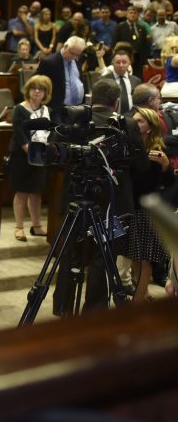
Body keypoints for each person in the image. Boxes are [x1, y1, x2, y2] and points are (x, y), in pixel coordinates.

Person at [52, 79, 147, 316]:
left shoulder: (73, 118)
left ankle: (63, 307)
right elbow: (140, 165)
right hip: (112, 206)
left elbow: (54, 157)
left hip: (77, 197)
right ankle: (94, 311)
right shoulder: (125, 124)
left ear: (91, 98)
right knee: (102, 256)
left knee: (70, 253)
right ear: (117, 102)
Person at [126, 107, 173, 302]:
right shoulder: (133, 146)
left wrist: (165, 166)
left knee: (144, 259)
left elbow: (167, 183)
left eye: (140, 121)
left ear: (149, 127)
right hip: (132, 207)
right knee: (136, 258)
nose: (135, 124)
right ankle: (143, 294)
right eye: (134, 120)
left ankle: (137, 304)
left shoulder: (157, 149)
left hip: (147, 210)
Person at [8, 76, 52, 241]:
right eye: (34, 88)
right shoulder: (20, 109)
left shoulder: (47, 111)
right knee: (22, 192)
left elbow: (51, 132)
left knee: (36, 193)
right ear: (28, 90)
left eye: (41, 89)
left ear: (46, 93)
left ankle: (37, 226)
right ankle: (19, 227)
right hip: (22, 156)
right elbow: (20, 135)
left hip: (40, 156)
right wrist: (31, 152)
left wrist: (44, 154)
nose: (37, 91)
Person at [35, 36, 86, 123]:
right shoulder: (49, 62)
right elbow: (36, 83)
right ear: (65, 46)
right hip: (57, 110)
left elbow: (79, 81)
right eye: (72, 53)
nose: (74, 57)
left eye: (77, 55)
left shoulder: (77, 61)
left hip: (77, 109)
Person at [100, 45, 140, 114]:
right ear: (112, 62)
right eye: (118, 62)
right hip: (110, 117)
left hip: (132, 117)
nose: (121, 65)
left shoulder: (136, 81)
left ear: (129, 63)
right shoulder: (104, 81)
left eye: (124, 62)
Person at [114, 6, 149, 74]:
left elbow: (144, 46)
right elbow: (115, 43)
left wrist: (145, 62)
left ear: (138, 15)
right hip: (124, 57)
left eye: (135, 13)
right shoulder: (120, 27)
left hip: (138, 59)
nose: (132, 15)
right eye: (130, 13)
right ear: (127, 14)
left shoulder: (141, 28)